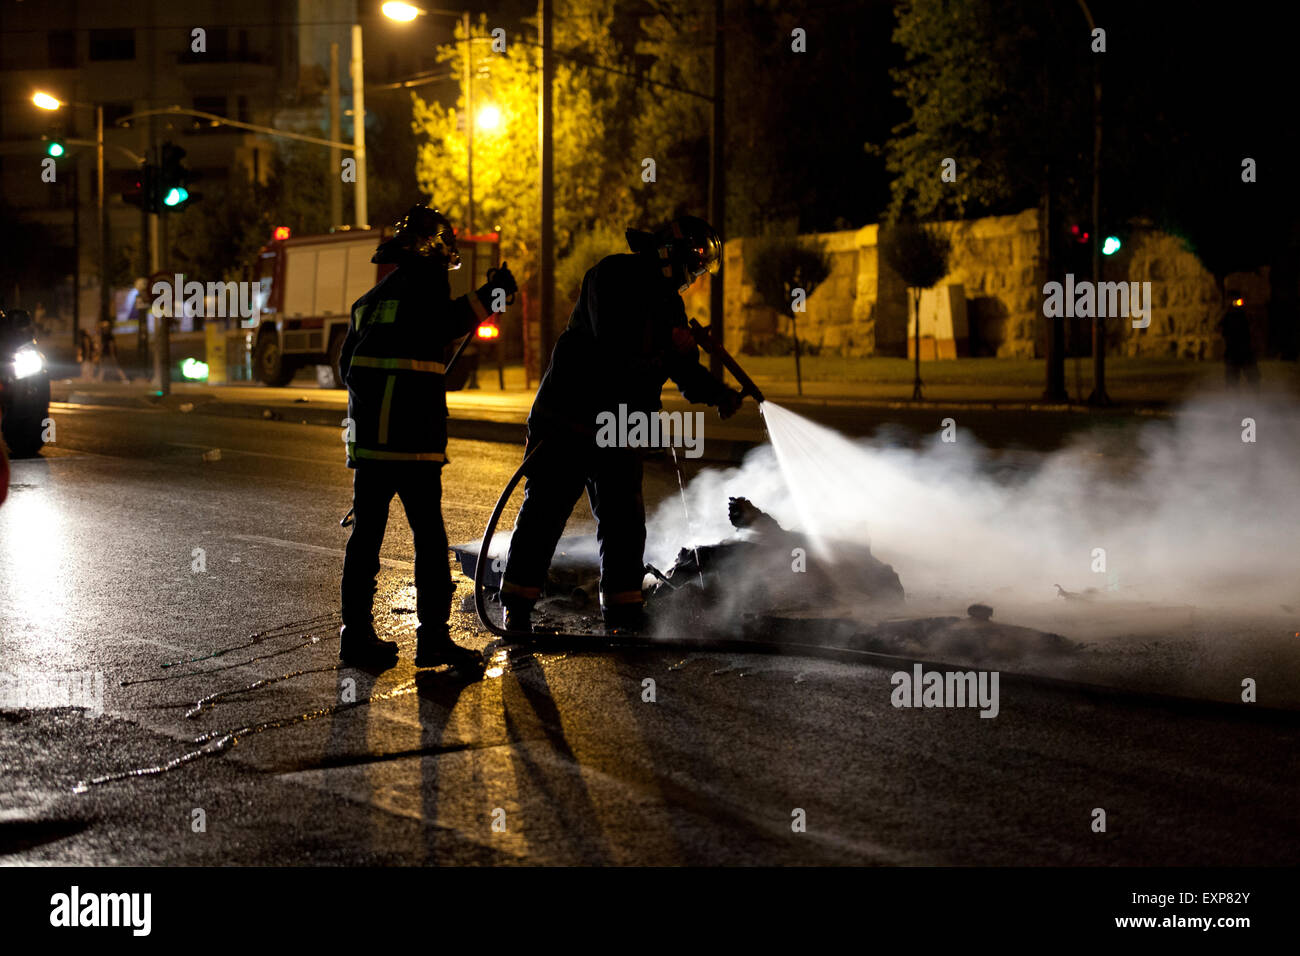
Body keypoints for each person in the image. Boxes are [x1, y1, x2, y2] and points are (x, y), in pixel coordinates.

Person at [500, 215, 745, 634]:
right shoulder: (611, 275)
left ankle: (623, 611)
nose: (694, 276)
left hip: (621, 425)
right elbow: (615, 346)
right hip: (570, 418)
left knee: (624, 522)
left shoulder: (670, 301)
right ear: (671, 253)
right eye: (694, 265)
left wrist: (717, 393)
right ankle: (516, 609)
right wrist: (667, 343)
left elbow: (679, 367)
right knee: (546, 512)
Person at [338, 203, 516, 667]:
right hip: (412, 441)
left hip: (370, 444)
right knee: (430, 544)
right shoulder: (428, 281)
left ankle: (355, 636)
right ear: (436, 251)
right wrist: (493, 293)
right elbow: (447, 321)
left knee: (366, 542)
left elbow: (347, 368)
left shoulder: (370, 301)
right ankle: (433, 640)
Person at [1218, 293, 1259, 389]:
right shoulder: (1228, 316)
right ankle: (1233, 398)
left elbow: (1252, 327)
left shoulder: (1245, 315)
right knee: (1232, 378)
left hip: (1244, 349)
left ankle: (1255, 397)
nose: (1238, 304)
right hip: (1233, 350)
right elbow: (1220, 328)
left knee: (1253, 376)